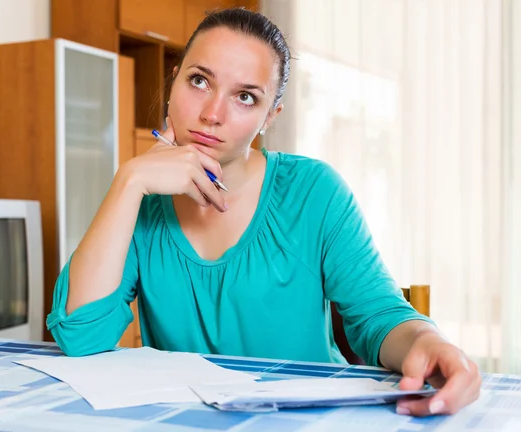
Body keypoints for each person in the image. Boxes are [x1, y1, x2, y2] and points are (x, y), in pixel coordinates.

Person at [46, 7, 481, 417]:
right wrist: (129, 181)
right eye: (199, 81)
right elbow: (81, 337)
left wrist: (427, 341)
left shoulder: (315, 192)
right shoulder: (140, 201)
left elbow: (378, 316)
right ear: (174, 80)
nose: (212, 114)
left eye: (245, 98)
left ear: (270, 116)